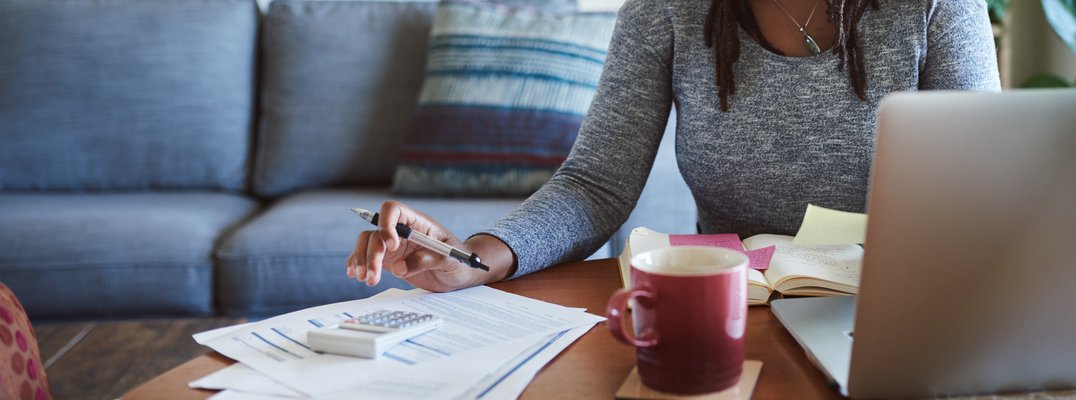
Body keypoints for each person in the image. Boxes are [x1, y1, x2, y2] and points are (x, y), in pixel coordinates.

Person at [346, 0, 1001, 291]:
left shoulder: (936, 6)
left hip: (892, 309)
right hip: (734, 313)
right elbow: (595, 185)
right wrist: (474, 257)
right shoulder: (671, 7)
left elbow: (986, 193)